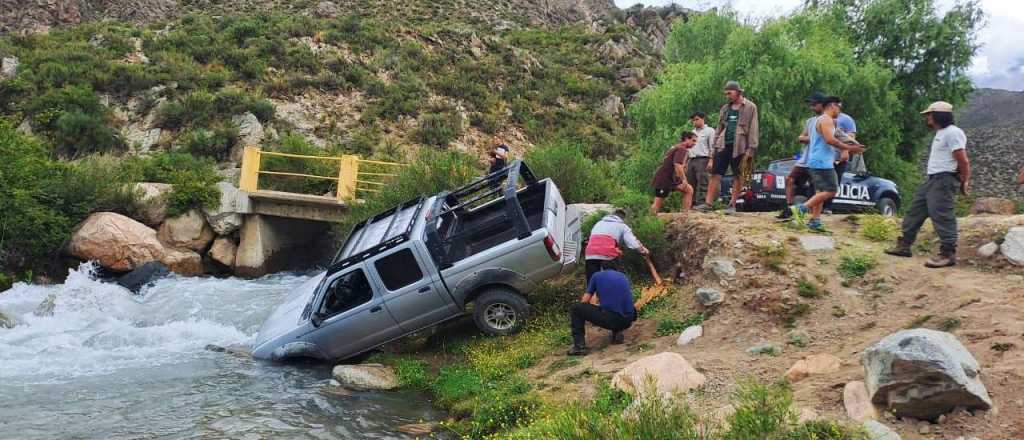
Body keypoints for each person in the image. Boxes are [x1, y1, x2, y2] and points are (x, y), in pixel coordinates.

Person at [885, 102, 970, 268]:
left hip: (944, 179)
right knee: (915, 211)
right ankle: (904, 245)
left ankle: (948, 254)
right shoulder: (942, 133)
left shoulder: (953, 133)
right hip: (933, 179)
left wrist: (964, 180)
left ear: (939, 115)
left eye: (929, 115)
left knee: (942, 215)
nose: (927, 118)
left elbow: (963, 160)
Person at [789, 96, 865, 232]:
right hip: (822, 162)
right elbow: (831, 140)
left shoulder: (821, 120)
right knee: (831, 190)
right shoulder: (826, 120)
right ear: (832, 106)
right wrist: (850, 149)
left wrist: (854, 144)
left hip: (817, 160)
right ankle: (801, 209)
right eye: (839, 107)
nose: (839, 110)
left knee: (820, 192)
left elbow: (839, 136)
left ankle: (815, 221)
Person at [696, 80, 759, 214]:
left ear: (738, 92)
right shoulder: (725, 108)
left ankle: (732, 204)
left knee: (738, 175)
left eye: (729, 93)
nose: (728, 96)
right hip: (723, 144)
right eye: (726, 94)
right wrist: (714, 148)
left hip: (741, 146)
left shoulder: (750, 107)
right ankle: (707, 203)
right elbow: (719, 127)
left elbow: (753, 128)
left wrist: (751, 148)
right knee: (715, 173)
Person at [567, 262, 637, 356]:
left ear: (602, 268)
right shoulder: (622, 276)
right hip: (629, 319)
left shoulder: (597, 275)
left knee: (577, 309)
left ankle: (579, 347)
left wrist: (591, 312)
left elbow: (584, 301)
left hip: (614, 319)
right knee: (614, 307)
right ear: (615, 268)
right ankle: (617, 334)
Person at [777, 92, 825, 221]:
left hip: (818, 160)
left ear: (822, 104)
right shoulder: (810, 121)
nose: (811, 107)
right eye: (811, 104)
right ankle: (789, 207)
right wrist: (810, 138)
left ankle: (815, 217)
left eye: (814, 104)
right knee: (790, 179)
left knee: (818, 189)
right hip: (805, 159)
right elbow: (801, 137)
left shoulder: (827, 120)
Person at [584, 209, 649, 284]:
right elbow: (634, 244)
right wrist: (643, 251)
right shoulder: (622, 226)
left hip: (590, 253)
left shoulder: (598, 223)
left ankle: (592, 294)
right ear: (623, 218)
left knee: (592, 282)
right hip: (608, 254)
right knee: (615, 279)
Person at [650, 132, 697, 215]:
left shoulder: (675, 147)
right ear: (686, 139)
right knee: (657, 203)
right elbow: (677, 165)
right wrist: (684, 180)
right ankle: (649, 221)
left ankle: (685, 215)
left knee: (689, 190)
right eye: (693, 141)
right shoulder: (682, 149)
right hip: (664, 180)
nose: (694, 143)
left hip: (670, 179)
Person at [823, 104, 858, 214]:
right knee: (820, 182)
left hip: (839, 157)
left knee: (834, 182)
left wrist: (846, 150)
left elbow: (850, 137)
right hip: (825, 155)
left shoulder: (846, 119)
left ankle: (827, 207)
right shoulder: (823, 119)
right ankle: (815, 206)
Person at [687, 112, 715, 203]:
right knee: (690, 182)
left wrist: (711, 160)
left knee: (703, 182)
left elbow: (712, 147)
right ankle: (691, 203)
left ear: (703, 119)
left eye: (697, 119)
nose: (695, 122)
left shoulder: (709, 131)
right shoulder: (692, 133)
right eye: (693, 120)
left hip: (703, 159)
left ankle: (703, 203)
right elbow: (688, 148)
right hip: (691, 159)